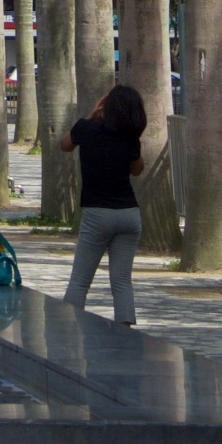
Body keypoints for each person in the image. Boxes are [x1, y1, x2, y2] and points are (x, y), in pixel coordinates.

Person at [61, 83, 148, 327]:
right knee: (122, 281)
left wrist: (90, 116)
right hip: (129, 215)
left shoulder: (86, 129)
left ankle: (68, 328)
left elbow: (64, 145)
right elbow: (138, 169)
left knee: (80, 280)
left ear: (106, 107)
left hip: (97, 213)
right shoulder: (130, 140)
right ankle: (126, 333)